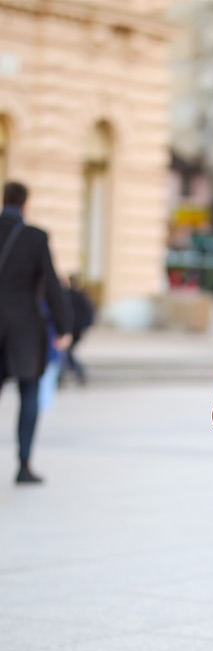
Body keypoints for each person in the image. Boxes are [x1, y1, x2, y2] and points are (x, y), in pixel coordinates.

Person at [0, 180, 68, 483]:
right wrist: (64, 326)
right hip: (25, 329)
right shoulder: (34, 237)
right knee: (28, 394)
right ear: (25, 204)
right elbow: (52, 284)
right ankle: (23, 465)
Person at [59, 274, 94, 385]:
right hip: (74, 329)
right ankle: (64, 376)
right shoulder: (78, 295)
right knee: (66, 354)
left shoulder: (70, 295)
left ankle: (74, 374)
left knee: (66, 354)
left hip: (72, 330)